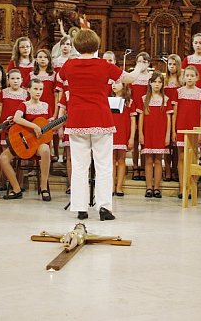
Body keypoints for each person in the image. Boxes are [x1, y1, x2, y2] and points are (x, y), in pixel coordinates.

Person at [56, 28, 145, 221]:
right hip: (100, 117)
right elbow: (128, 79)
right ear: (96, 45)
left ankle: (80, 208)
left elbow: (58, 78)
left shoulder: (70, 64)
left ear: (77, 46)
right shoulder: (103, 65)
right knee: (104, 164)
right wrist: (139, 67)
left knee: (80, 165)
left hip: (78, 118)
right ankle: (104, 208)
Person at [0, 78, 52, 201]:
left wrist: (63, 121)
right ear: (28, 90)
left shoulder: (46, 106)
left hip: (39, 143)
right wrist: (34, 126)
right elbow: (17, 119)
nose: (38, 92)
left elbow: (51, 126)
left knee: (45, 150)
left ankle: (43, 187)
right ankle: (16, 189)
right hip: (24, 142)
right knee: (3, 158)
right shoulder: (24, 105)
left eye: (41, 89)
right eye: (35, 89)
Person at [172, 65, 201, 198]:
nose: (190, 78)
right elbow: (175, 113)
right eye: (187, 75)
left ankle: (192, 187)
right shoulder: (178, 92)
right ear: (184, 77)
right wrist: (174, 131)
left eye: (192, 75)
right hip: (181, 127)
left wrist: (200, 132)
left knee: (193, 158)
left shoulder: (200, 93)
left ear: (197, 77)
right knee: (181, 157)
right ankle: (182, 187)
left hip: (194, 129)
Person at [138, 71, 173, 199]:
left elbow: (168, 119)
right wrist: (141, 133)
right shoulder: (144, 99)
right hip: (148, 132)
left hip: (161, 132)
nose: (157, 84)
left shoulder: (166, 99)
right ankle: (148, 187)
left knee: (158, 160)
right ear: (150, 83)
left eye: (160, 82)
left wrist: (167, 135)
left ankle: (157, 187)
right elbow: (141, 117)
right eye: (155, 82)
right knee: (148, 160)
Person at [110, 81, 136, 197]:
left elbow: (132, 121)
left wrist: (131, 138)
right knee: (111, 161)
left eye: (117, 83)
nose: (114, 85)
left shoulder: (129, 102)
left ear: (124, 85)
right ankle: (111, 186)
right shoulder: (108, 100)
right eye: (113, 83)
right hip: (111, 133)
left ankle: (119, 187)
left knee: (121, 160)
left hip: (123, 133)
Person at [130, 51, 152, 180]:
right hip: (134, 110)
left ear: (148, 63)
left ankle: (143, 167)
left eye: (144, 62)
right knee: (135, 139)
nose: (141, 64)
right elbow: (129, 93)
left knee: (144, 140)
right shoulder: (133, 76)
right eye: (139, 61)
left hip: (146, 111)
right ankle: (134, 166)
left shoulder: (150, 77)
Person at [163, 53, 181, 181]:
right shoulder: (164, 80)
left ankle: (175, 169)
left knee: (175, 145)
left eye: (174, 64)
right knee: (166, 145)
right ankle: (167, 170)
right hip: (165, 113)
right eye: (170, 64)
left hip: (178, 112)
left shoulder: (182, 81)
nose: (172, 66)